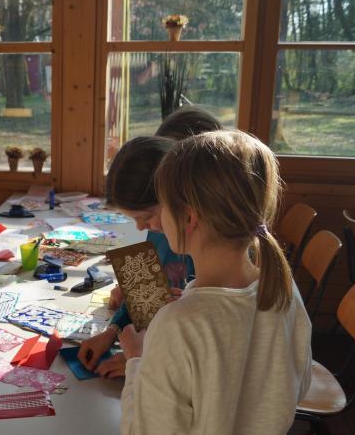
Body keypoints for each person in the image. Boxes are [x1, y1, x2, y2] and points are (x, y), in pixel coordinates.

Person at [119, 130, 312, 434]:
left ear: (189, 217)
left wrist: (136, 360)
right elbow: (298, 387)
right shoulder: (283, 291)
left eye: (162, 205)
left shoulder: (178, 324)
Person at [78, 107, 223, 378]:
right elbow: (146, 293)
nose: (144, 227)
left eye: (146, 216)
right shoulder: (165, 227)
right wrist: (113, 331)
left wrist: (140, 362)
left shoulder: (216, 259)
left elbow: (205, 359)